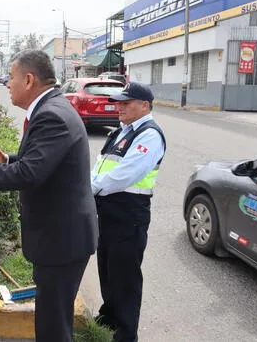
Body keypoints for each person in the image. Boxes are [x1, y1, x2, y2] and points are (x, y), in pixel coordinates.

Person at [0, 49, 98, 342]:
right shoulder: (52, 109)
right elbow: (39, 162)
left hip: (61, 242)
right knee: (55, 319)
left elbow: (30, 175)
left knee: (52, 327)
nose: (7, 84)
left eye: (10, 78)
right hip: (62, 238)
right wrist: (5, 160)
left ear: (29, 80)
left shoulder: (51, 116)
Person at [90, 82, 166, 342]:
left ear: (144, 106)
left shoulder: (149, 135)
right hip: (108, 211)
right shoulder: (121, 132)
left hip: (129, 214)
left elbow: (126, 174)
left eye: (125, 103)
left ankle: (125, 333)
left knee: (126, 277)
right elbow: (101, 168)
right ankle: (109, 315)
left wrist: (88, 189)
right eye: (118, 102)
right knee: (108, 268)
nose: (118, 107)